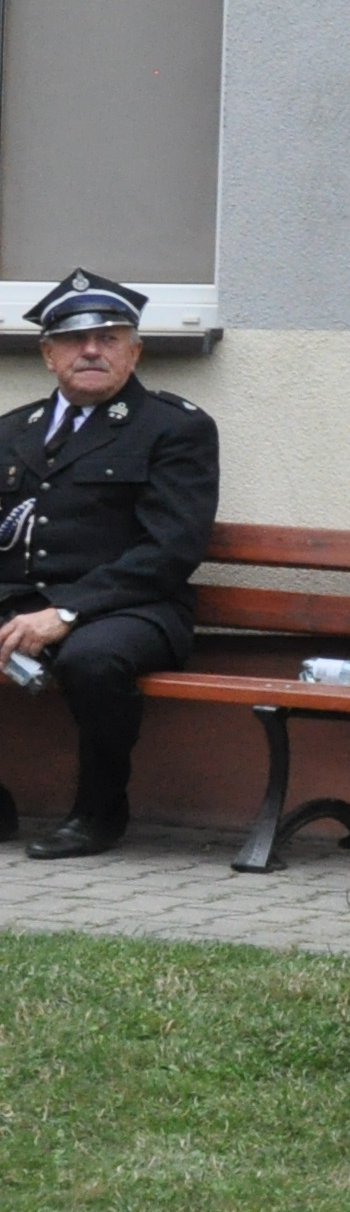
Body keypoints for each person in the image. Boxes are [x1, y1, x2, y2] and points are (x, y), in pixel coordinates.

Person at [0, 274, 219, 859]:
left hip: (133, 608)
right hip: (24, 600)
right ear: (48, 354)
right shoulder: (13, 431)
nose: (91, 350)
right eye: (74, 340)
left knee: (92, 660)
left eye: (109, 337)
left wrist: (68, 611)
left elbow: (171, 549)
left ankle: (98, 813)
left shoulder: (175, 428)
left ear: (135, 351)